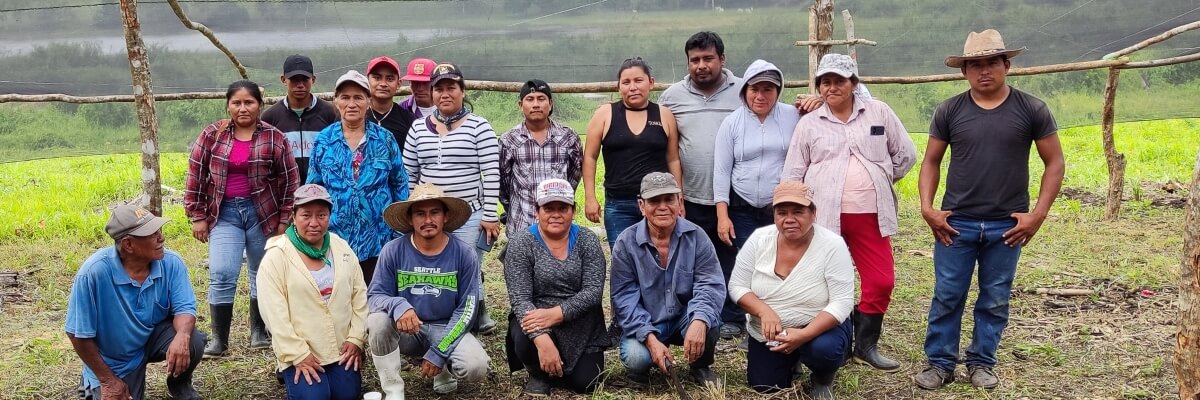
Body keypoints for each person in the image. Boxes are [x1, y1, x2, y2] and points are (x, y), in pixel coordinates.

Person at [913, 29, 1064, 390]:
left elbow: (1054, 162)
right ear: (964, 71)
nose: (984, 71)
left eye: (991, 63)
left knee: (995, 296)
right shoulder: (949, 110)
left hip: (1007, 225)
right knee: (948, 294)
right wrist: (927, 208)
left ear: (1006, 65)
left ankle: (982, 362)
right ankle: (940, 363)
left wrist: (1038, 215)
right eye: (975, 65)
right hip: (956, 223)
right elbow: (931, 161)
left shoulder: (1032, 109)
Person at [782, 53, 917, 372]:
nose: (832, 88)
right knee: (827, 283)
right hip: (825, 219)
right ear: (818, 87)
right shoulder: (810, 124)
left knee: (881, 281)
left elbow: (906, 155)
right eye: (825, 82)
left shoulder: (878, 112)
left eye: (839, 81)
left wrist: (880, 179)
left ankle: (866, 343)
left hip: (871, 215)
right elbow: (792, 173)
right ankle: (836, 343)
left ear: (854, 83)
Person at [185, 80, 300, 356]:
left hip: (263, 213)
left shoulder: (273, 137)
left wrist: (285, 220)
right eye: (237, 102)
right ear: (228, 105)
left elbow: (290, 180)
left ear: (259, 105)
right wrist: (197, 215)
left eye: (249, 102)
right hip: (224, 213)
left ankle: (259, 331)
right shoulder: (212, 135)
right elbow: (196, 175)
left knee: (262, 272)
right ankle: (219, 338)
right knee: (222, 272)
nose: (243, 108)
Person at [727, 181, 854, 399]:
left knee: (823, 350)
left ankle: (823, 377)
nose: (789, 219)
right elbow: (737, 286)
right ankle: (792, 360)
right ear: (774, 215)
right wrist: (764, 311)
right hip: (769, 334)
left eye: (798, 212)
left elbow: (842, 301)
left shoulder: (833, 245)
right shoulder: (759, 239)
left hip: (817, 329)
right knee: (765, 386)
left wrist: (804, 335)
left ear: (813, 213)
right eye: (781, 212)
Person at [66, 205, 206, 400]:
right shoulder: (92, 273)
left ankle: (180, 385)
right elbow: (77, 334)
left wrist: (182, 335)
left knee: (193, 340)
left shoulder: (172, 262)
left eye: (159, 230)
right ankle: (88, 388)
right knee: (92, 396)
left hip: (151, 338)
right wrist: (108, 381)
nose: (161, 238)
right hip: (114, 361)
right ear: (128, 245)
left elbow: (185, 307)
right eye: (152, 234)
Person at [658, 31, 746, 340]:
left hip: (734, 196)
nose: (701, 65)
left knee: (732, 253)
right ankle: (695, 313)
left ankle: (733, 316)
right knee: (692, 257)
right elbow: (667, 146)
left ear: (722, 59)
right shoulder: (671, 97)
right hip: (691, 194)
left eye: (708, 58)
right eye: (694, 60)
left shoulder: (743, 91)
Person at [403, 63, 501, 333]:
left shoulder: (479, 127)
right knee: (434, 265)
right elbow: (410, 172)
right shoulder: (418, 128)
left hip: (469, 213)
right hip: (429, 214)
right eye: (439, 89)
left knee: (469, 264)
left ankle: (474, 313)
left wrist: (490, 215)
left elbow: (491, 172)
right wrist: (412, 210)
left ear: (462, 91)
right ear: (432, 93)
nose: (445, 94)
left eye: (451, 88)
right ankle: (438, 315)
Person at [367, 183, 491, 396]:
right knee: (377, 321)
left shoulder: (464, 254)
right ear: (409, 219)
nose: (428, 220)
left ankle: (443, 368)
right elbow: (375, 296)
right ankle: (393, 388)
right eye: (420, 214)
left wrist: (440, 351)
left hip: (446, 327)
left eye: (435, 212)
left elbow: (468, 309)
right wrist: (398, 305)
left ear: (446, 216)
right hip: (407, 329)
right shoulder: (393, 250)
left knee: (476, 365)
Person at [610, 172, 724, 387]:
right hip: (647, 320)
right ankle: (642, 371)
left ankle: (700, 366)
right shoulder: (626, 243)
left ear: (679, 202)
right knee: (636, 357)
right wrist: (650, 339)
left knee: (709, 322)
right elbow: (624, 299)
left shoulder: (697, 237)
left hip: (684, 316)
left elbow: (710, 284)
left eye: (669, 199)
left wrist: (699, 320)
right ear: (642, 206)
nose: (663, 206)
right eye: (654, 201)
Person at [257, 184, 368, 400]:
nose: (314, 223)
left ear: (329, 216)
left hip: (339, 349)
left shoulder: (341, 248)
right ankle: (289, 372)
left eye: (322, 215)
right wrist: (297, 354)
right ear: (294, 216)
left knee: (347, 395)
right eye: (306, 215)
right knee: (314, 397)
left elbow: (359, 296)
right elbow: (274, 314)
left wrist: (356, 339)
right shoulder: (277, 256)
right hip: (301, 349)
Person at [503, 179, 613, 396]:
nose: (555, 214)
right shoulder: (520, 243)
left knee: (588, 383)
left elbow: (593, 292)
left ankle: (561, 366)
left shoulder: (587, 240)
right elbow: (520, 299)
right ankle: (537, 372)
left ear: (573, 211)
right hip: (536, 318)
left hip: (581, 322)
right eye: (548, 208)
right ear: (537, 211)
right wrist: (542, 339)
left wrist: (558, 313)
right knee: (525, 335)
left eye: (563, 208)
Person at [307, 70, 410, 288]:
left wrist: (398, 231)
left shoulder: (384, 139)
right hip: (335, 238)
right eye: (345, 97)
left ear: (369, 101)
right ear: (336, 101)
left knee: (375, 300)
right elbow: (313, 188)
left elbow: (399, 183)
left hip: (378, 239)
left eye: (358, 97)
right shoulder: (324, 140)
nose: (351, 104)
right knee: (338, 298)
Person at [583, 58, 683, 249]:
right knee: (623, 259)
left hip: (658, 202)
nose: (633, 87)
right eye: (626, 82)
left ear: (651, 83)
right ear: (618, 87)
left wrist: (678, 198)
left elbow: (673, 160)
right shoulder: (605, 114)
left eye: (638, 80)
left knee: (660, 255)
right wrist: (590, 197)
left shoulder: (664, 115)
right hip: (619, 204)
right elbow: (590, 157)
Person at [714, 59, 800, 251]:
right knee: (750, 258)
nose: (760, 96)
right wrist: (722, 216)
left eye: (768, 89)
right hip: (742, 206)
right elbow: (721, 171)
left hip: (780, 205)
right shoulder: (731, 123)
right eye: (754, 89)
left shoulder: (793, 116)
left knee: (782, 256)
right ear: (745, 90)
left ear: (778, 91)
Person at [499, 80, 583, 238]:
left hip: (557, 225)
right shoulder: (509, 140)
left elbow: (574, 176)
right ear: (520, 105)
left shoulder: (568, 137)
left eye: (541, 99)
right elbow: (503, 184)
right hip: (521, 223)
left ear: (550, 104)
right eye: (530, 99)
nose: (536, 104)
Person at [261, 54, 340, 183]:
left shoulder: (331, 113)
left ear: (313, 79)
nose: (300, 85)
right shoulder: (270, 117)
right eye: (294, 79)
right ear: (283, 79)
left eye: (305, 79)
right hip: (285, 192)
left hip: (322, 192)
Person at [365, 56, 418, 152]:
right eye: (377, 78)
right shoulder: (355, 117)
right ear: (367, 81)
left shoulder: (409, 120)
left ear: (398, 84)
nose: (383, 84)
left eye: (390, 79)